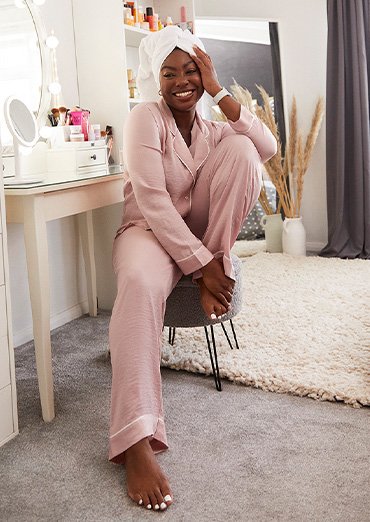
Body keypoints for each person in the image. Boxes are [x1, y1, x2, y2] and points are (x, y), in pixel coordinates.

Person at [109, 25, 277, 512]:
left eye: (191, 72)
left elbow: (265, 147)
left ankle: (216, 263)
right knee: (139, 283)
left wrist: (219, 89)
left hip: (201, 238)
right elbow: (153, 200)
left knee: (245, 150)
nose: (181, 82)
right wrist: (201, 267)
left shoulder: (212, 127)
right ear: (154, 79)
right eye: (169, 73)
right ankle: (137, 440)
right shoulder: (145, 117)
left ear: (203, 75)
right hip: (146, 232)